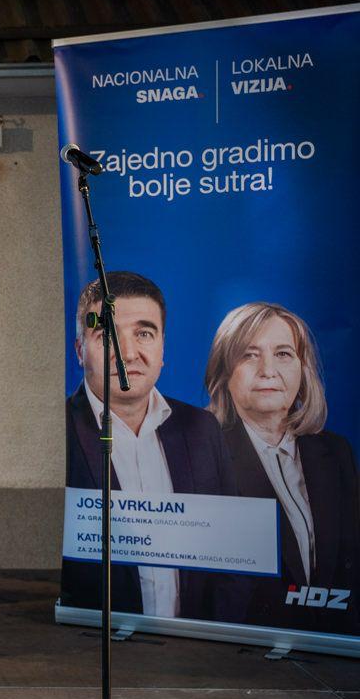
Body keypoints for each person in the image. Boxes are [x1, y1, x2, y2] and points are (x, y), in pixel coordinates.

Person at [61, 271, 240, 621]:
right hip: (91, 641)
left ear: (162, 349)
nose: (128, 353)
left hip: (194, 644)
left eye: (144, 334)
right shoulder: (57, 432)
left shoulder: (202, 429)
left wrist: (208, 638)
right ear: (81, 351)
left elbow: (231, 548)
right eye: (106, 335)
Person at [206, 302, 359, 632]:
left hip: (332, 648)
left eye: (283, 354)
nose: (267, 370)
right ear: (224, 373)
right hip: (246, 649)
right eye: (249, 355)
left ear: (303, 370)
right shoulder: (204, 454)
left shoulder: (336, 453)